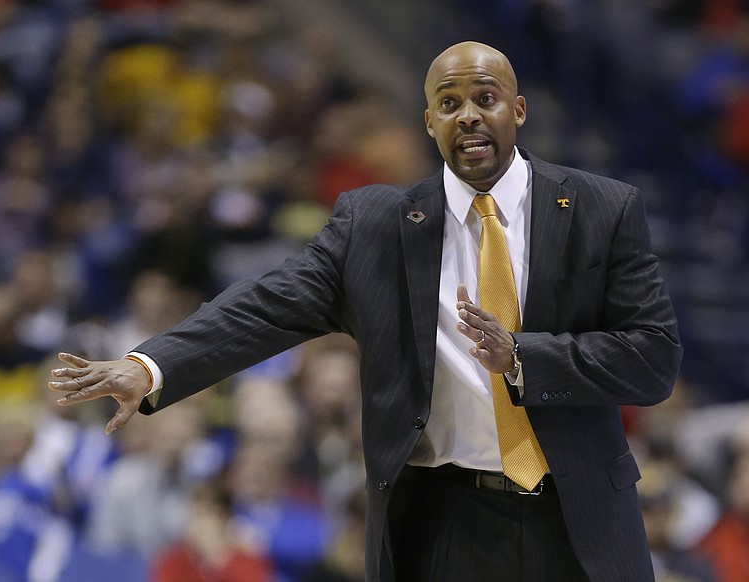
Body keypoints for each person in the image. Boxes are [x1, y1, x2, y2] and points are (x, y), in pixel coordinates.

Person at [48, 41, 682, 581]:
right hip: (439, 522)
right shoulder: (374, 225)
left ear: (517, 109)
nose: (468, 116)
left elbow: (652, 360)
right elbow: (264, 306)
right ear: (428, 120)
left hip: (574, 517)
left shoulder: (602, 210)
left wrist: (525, 357)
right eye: (449, 103)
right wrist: (152, 365)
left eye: (485, 98)